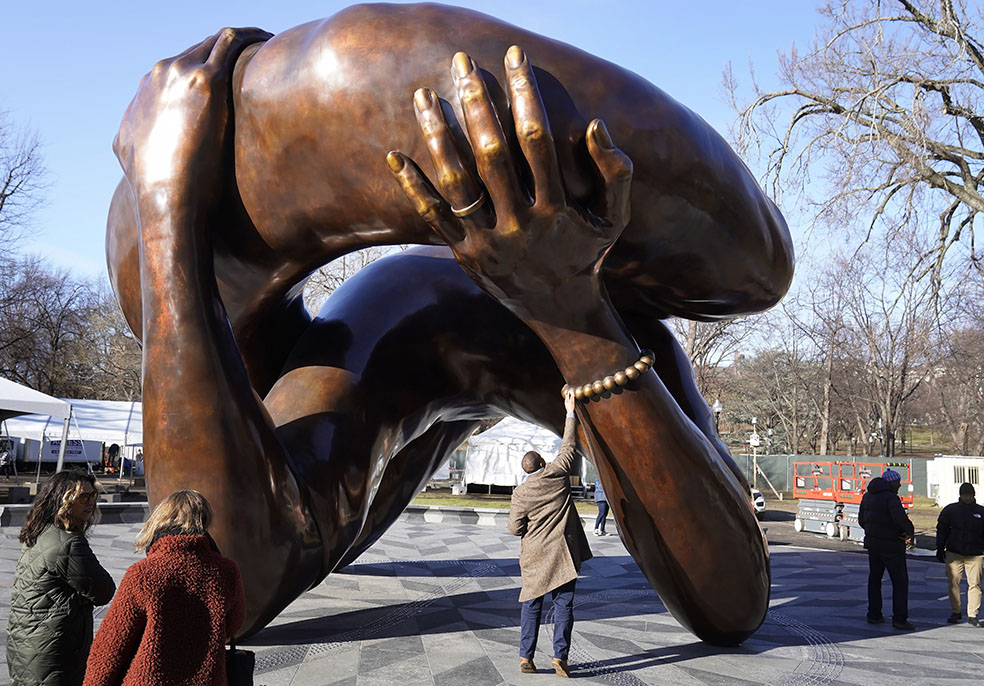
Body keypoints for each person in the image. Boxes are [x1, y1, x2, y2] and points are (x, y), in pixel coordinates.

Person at [108, 9, 788, 644]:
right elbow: (222, 592)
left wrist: (570, 312)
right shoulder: (368, 343)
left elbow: (733, 603)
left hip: (433, 332)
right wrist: (168, 207)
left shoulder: (633, 340)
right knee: (316, 441)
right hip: (394, 341)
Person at [83, 490, 245, 686]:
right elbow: (235, 624)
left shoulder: (143, 573)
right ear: (204, 521)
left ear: (160, 520)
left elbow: (111, 644)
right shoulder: (226, 570)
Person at [508, 390, 591, 678]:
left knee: (531, 605)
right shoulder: (558, 474)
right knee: (564, 606)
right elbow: (569, 444)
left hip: (534, 556)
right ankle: (560, 659)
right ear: (543, 462)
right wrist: (570, 411)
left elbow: (514, 528)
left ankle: (526, 658)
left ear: (526, 470)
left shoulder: (520, 493)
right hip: (562, 554)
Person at [6, 469, 116, 686]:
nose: (91, 502)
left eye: (93, 496)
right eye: (83, 497)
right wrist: (80, 599)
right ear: (63, 500)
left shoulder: (39, 533)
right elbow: (104, 590)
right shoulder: (68, 544)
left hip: (24, 643)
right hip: (52, 649)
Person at [858, 468, 915, 630]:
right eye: (898, 482)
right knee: (900, 582)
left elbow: (862, 520)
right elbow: (900, 519)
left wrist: (872, 533)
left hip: (873, 545)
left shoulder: (867, 496)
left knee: (874, 580)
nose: (899, 485)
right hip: (892, 546)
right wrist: (907, 532)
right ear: (892, 482)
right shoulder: (891, 498)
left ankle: (874, 614)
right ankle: (899, 619)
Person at [935, 482, 984, 626]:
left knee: (974, 584)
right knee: (953, 582)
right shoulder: (951, 510)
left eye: (969, 495)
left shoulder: (981, 512)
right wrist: (940, 547)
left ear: (974, 495)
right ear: (960, 495)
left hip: (976, 554)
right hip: (954, 553)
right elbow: (942, 530)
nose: (967, 498)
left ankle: (972, 614)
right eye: (965, 495)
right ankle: (956, 611)